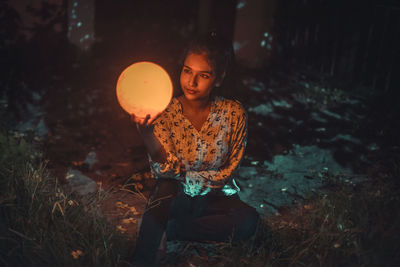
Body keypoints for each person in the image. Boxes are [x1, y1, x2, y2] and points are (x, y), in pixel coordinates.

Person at [130, 32, 259, 266]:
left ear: (218, 79)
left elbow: (229, 170)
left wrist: (187, 178)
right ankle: (142, 259)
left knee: (249, 221)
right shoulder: (165, 112)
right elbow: (164, 172)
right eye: (187, 71)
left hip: (216, 198)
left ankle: (170, 229)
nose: (192, 82)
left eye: (204, 75)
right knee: (165, 188)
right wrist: (148, 136)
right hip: (176, 196)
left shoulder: (233, 113)